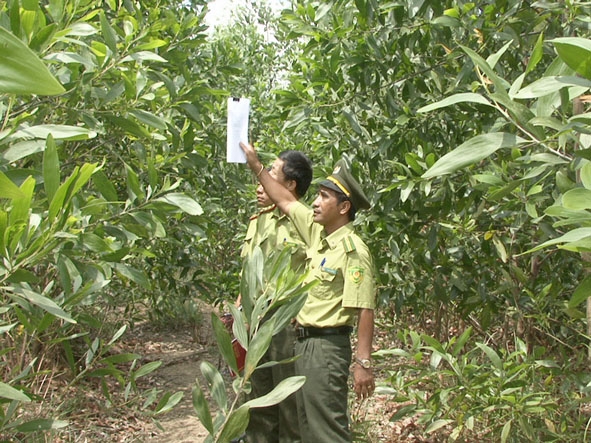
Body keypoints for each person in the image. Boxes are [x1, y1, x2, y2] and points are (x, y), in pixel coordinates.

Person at [240, 141, 376, 443]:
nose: (315, 202)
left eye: (324, 197)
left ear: (343, 208)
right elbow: (286, 202)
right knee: (305, 426)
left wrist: (363, 364)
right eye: (316, 195)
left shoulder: (352, 250)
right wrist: (256, 166)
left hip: (326, 346)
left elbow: (365, 307)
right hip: (302, 344)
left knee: (326, 430)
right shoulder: (316, 234)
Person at [238, 150, 313, 443]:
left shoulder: (306, 221)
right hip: (256, 322)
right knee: (258, 399)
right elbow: (248, 272)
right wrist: (240, 312)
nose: (261, 182)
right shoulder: (258, 220)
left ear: (291, 184)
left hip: (286, 322)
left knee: (288, 402)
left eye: (272, 172)